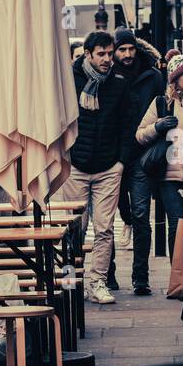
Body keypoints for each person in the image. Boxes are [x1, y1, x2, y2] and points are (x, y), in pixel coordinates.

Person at [60, 30, 129, 305]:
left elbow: (126, 125)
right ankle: (69, 282)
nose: (107, 59)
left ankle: (97, 282)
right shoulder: (69, 80)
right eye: (101, 54)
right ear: (88, 54)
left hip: (108, 167)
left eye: (110, 54)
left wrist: (121, 162)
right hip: (76, 166)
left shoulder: (118, 84)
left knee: (104, 229)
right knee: (74, 227)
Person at [136, 53, 183, 262]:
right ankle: (178, 277)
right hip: (170, 178)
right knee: (176, 226)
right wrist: (157, 127)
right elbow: (140, 135)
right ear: (175, 78)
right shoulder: (161, 104)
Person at [113, 26, 163, 296]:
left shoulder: (152, 76)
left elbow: (163, 108)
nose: (128, 54)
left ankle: (140, 278)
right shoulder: (107, 76)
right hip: (113, 158)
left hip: (142, 157)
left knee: (141, 215)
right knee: (108, 218)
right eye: (122, 49)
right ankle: (108, 275)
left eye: (131, 48)